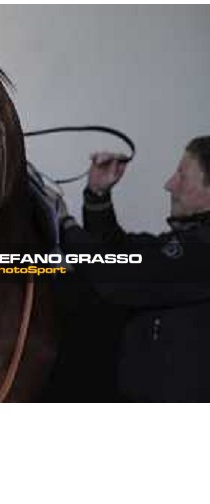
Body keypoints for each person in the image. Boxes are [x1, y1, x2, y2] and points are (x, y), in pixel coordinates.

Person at [56, 136, 210, 402]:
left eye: (182, 176)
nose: (169, 185)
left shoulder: (201, 252)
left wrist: (65, 223)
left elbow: (119, 277)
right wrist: (98, 195)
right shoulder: (191, 245)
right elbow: (122, 252)